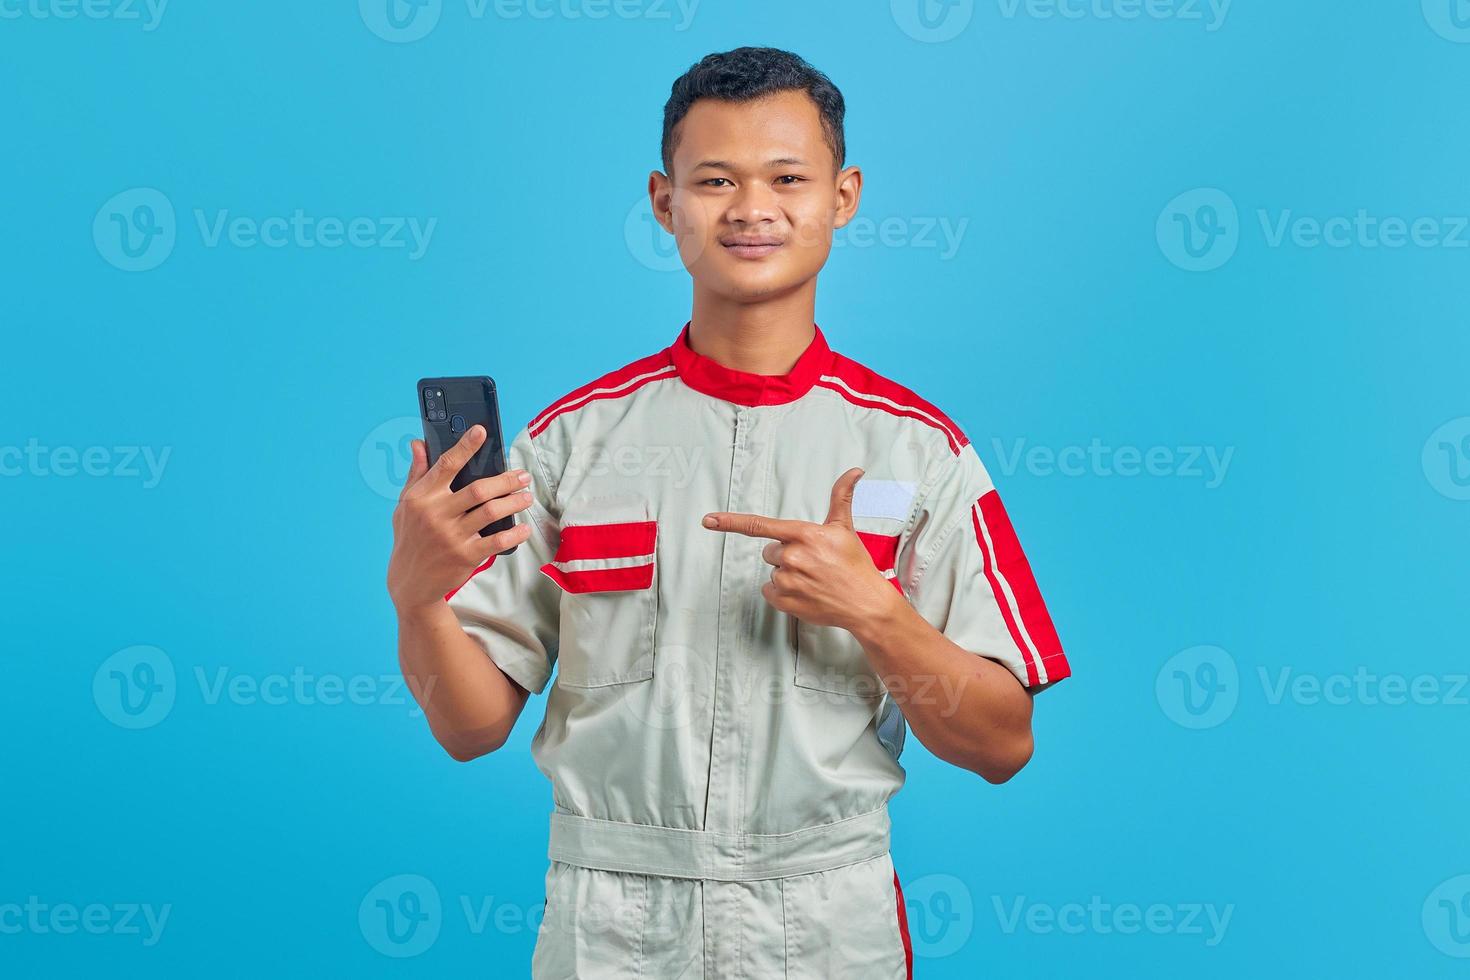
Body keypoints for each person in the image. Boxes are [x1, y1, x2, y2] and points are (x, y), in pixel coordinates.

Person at [387, 46, 1071, 979]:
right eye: (715, 180)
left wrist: (874, 610)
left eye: (788, 177)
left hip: (826, 917)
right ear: (666, 203)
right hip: (611, 921)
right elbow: (470, 730)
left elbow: (1002, 744)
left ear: (844, 195)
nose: (752, 209)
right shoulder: (570, 443)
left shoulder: (921, 451)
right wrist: (418, 599)